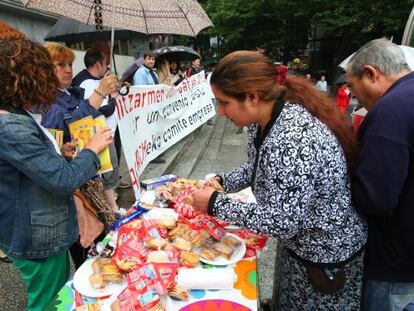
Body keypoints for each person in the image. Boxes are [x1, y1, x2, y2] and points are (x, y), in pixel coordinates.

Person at [190, 51, 367, 310]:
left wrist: (216, 203)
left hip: (326, 256)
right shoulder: (261, 121)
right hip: (300, 245)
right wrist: (222, 181)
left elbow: (283, 221)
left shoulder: (292, 140)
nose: (220, 112)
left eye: (224, 102)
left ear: (252, 97)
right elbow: (255, 168)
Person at [0, 36, 112, 311]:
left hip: (46, 230)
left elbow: (32, 167)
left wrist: (61, 154)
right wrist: (92, 151)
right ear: (26, 78)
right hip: (38, 236)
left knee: (57, 294)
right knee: (47, 303)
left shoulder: (17, 116)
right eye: (45, 72)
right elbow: (63, 180)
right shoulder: (11, 126)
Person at [346, 38, 414, 311]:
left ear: (371, 74)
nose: (353, 96)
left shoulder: (391, 111)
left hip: (393, 260)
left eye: (352, 86)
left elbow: (376, 198)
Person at [41, 43, 118, 269]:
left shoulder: (69, 93)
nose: (67, 70)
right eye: (60, 65)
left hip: (89, 174)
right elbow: (72, 124)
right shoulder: (45, 100)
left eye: (70, 64)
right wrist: (100, 92)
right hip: (75, 185)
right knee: (87, 240)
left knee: (101, 238)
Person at [72, 48, 121, 211]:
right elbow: (96, 110)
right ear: (99, 64)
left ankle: (111, 205)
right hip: (95, 137)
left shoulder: (91, 81)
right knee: (105, 174)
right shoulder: (85, 83)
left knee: (109, 172)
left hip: (104, 133)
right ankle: (111, 209)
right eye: (105, 64)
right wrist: (112, 99)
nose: (68, 70)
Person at [133, 51, 165, 163]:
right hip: (145, 109)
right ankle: (150, 156)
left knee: (154, 131)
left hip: (154, 107)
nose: (151, 61)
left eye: (153, 59)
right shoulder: (140, 73)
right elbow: (140, 92)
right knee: (147, 132)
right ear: (144, 59)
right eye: (149, 59)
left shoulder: (153, 73)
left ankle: (154, 152)